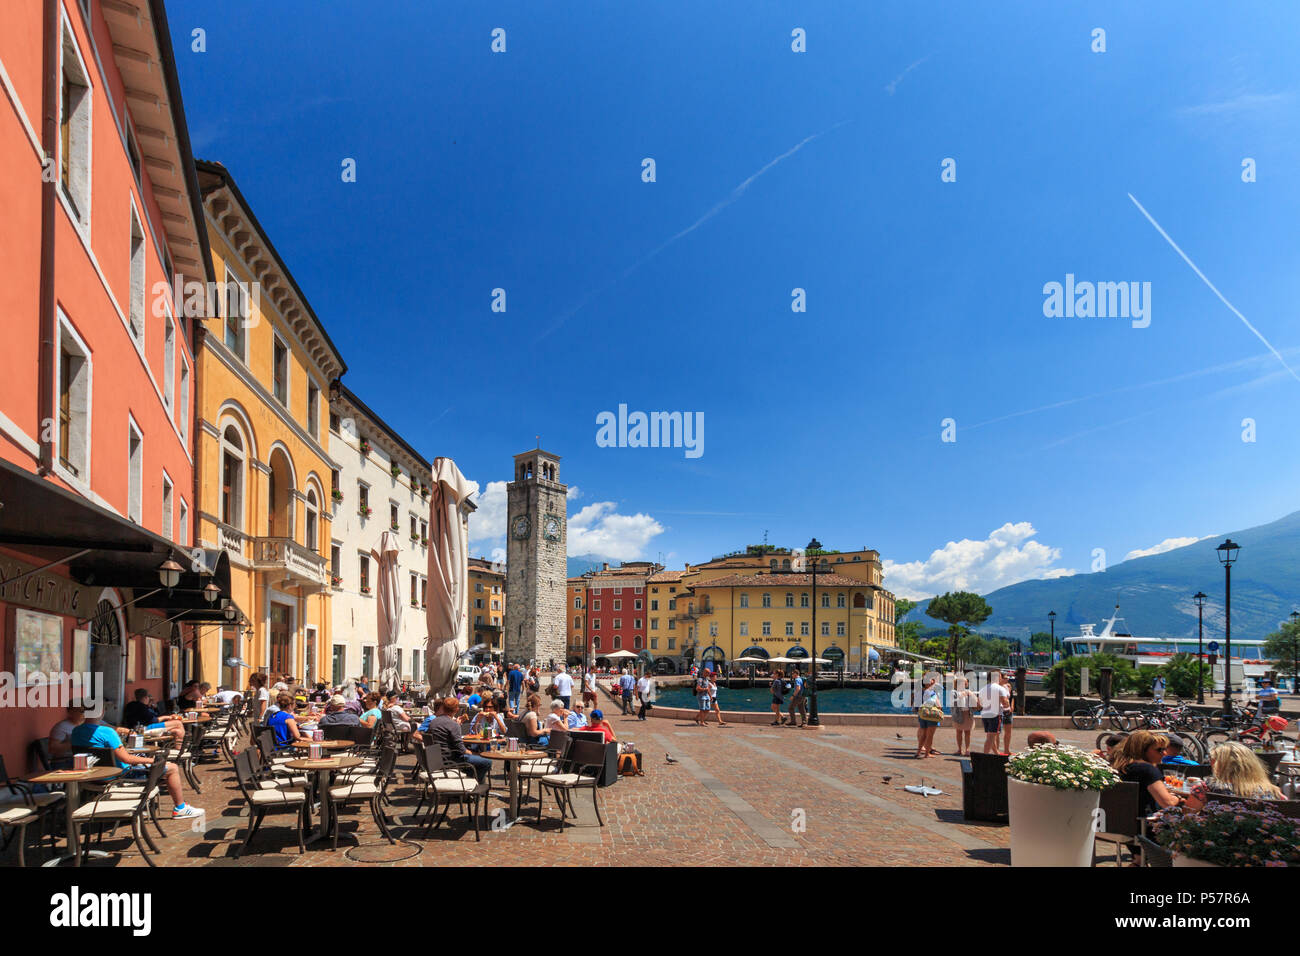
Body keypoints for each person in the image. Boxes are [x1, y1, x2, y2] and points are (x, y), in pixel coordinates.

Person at [69, 719, 201, 819]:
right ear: (101, 712)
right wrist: (154, 761)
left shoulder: (76, 731)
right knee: (171, 768)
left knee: (153, 762)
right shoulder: (107, 732)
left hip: (94, 776)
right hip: (122, 776)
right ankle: (180, 808)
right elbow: (126, 759)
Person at [1112, 731, 1205, 818]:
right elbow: (1168, 803)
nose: (1164, 753)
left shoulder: (1120, 768)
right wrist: (1178, 798)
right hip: (1145, 825)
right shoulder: (1147, 770)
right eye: (1159, 750)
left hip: (1120, 823)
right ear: (1142, 750)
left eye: (1164, 749)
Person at [420, 696, 491, 783]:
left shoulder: (434, 722)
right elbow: (461, 749)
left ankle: (467, 781)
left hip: (436, 758)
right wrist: (477, 754)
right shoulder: (453, 724)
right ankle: (473, 785)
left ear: (443, 708)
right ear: (457, 710)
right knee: (487, 762)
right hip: (451, 759)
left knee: (477, 760)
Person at [1201, 741, 1285, 800]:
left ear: (1219, 764)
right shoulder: (1274, 792)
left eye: (1211, 759)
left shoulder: (1207, 788)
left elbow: (1189, 815)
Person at [121, 690, 186, 747]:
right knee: (178, 723)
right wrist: (168, 717)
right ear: (145, 697)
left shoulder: (133, 705)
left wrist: (152, 707)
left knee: (178, 731)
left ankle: (179, 751)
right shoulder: (141, 707)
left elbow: (153, 716)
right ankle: (181, 751)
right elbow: (154, 720)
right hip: (143, 729)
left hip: (140, 727)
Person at [978, 671, 1008, 755]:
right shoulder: (1000, 688)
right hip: (995, 715)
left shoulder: (983, 689)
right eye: (1000, 676)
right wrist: (1007, 703)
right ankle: (985, 756)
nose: (1001, 678)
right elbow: (1005, 703)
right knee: (991, 737)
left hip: (985, 714)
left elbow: (979, 704)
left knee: (990, 735)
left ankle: (996, 753)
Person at [951, 676, 977, 756]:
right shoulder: (953, 692)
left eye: (966, 683)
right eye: (964, 682)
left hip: (968, 714)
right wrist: (960, 697)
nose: (966, 684)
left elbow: (975, 702)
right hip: (958, 714)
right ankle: (959, 749)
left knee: (967, 732)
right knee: (958, 732)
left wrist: (972, 695)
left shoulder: (969, 691)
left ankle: (967, 749)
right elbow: (952, 702)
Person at [915, 676, 940, 758]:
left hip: (922, 714)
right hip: (931, 715)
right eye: (931, 680)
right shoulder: (932, 693)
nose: (933, 681)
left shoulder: (920, 692)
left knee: (923, 734)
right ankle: (927, 753)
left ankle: (918, 752)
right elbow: (939, 706)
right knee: (930, 735)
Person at [1000, 671, 1015, 756]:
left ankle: (1006, 749)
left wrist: (1012, 706)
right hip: (1000, 711)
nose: (1007, 679)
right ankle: (997, 750)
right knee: (997, 733)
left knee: (1008, 732)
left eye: (1007, 678)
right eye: (1005, 678)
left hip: (1008, 711)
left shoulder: (1008, 686)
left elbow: (1012, 697)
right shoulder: (998, 687)